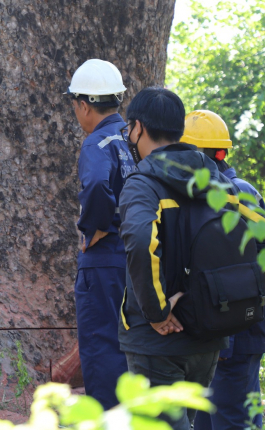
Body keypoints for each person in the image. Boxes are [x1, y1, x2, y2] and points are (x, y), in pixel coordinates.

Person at [117, 87, 265, 430]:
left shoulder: (143, 184)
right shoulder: (217, 182)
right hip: (208, 337)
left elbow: (141, 241)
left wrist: (158, 311)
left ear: (138, 128)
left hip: (156, 340)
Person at [183, 110, 265, 429]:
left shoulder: (232, 196)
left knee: (234, 418)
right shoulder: (231, 192)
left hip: (236, 335)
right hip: (222, 333)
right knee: (209, 418)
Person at [66, 59, 136, 409]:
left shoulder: (97, 143)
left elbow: (95, 184)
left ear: (84, 105)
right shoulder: (133, 140)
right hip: (137, 256)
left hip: (105, 259)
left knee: (102, 347)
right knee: (132, 350)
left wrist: (94, 228)